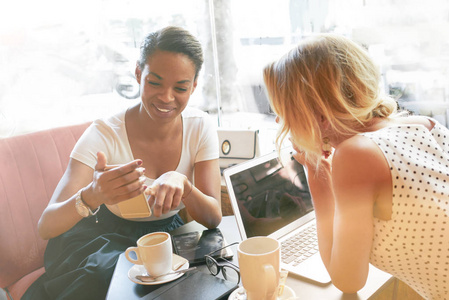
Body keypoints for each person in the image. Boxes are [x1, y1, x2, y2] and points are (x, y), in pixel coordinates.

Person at [23, 26, 222, 300]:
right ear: (139, 74)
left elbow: (213, 218)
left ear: (194, 86)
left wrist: (185, 186)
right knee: (125, 284)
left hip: (167, 236)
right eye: (155, 82)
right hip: (103, 239)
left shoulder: (201, 127)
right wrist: (94, 195)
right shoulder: (103, 134)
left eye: (180, 88)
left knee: (207, 279)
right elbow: (46, 226)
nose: (166, 97)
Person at [263, 34, 449, 299]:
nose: (280, 121)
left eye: (284, 111)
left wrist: (316, 172)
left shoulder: (356, 154)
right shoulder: (422, 126)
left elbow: (348, 280)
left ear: (318, 115)